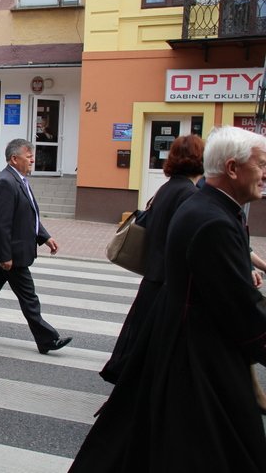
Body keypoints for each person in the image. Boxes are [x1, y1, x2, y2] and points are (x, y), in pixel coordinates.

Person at [70, 126, 266, 472]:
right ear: (233, 169)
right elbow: (240, 310)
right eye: (261, 164)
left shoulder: (205, 205)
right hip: (197, 357)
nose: (264, 174)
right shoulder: (211, 218)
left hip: (176, 333)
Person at [100, 134, 203, 384]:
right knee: (158, 340)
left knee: (143, 336)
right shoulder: (190, 194)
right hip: (169, 278)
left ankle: (133, 380)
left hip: (154, 274)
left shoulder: (166, 189)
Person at [0, 138, 73, 353]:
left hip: (12, 252)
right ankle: (47, 339)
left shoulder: (19, 180)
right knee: (29, 298)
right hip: (12, 254)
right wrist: (5, 255)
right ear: (14, 159)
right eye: (29, 156)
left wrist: (45, 237)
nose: (32, 160)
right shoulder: (6, 182)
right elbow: (1, 224)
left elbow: (29, 216)